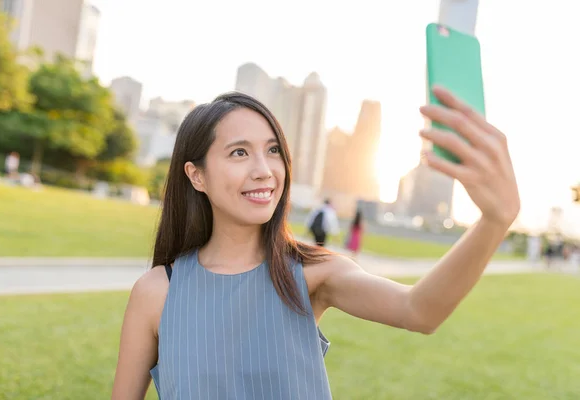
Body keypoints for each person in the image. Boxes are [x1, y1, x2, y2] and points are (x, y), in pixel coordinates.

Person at [112, 86, 520, 400]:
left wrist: (494, 221)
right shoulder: (156, 293)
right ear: (196, 175)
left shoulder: (311, 274)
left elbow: (419, 311)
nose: (264, 170)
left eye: (273, 151)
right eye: (239, 152)